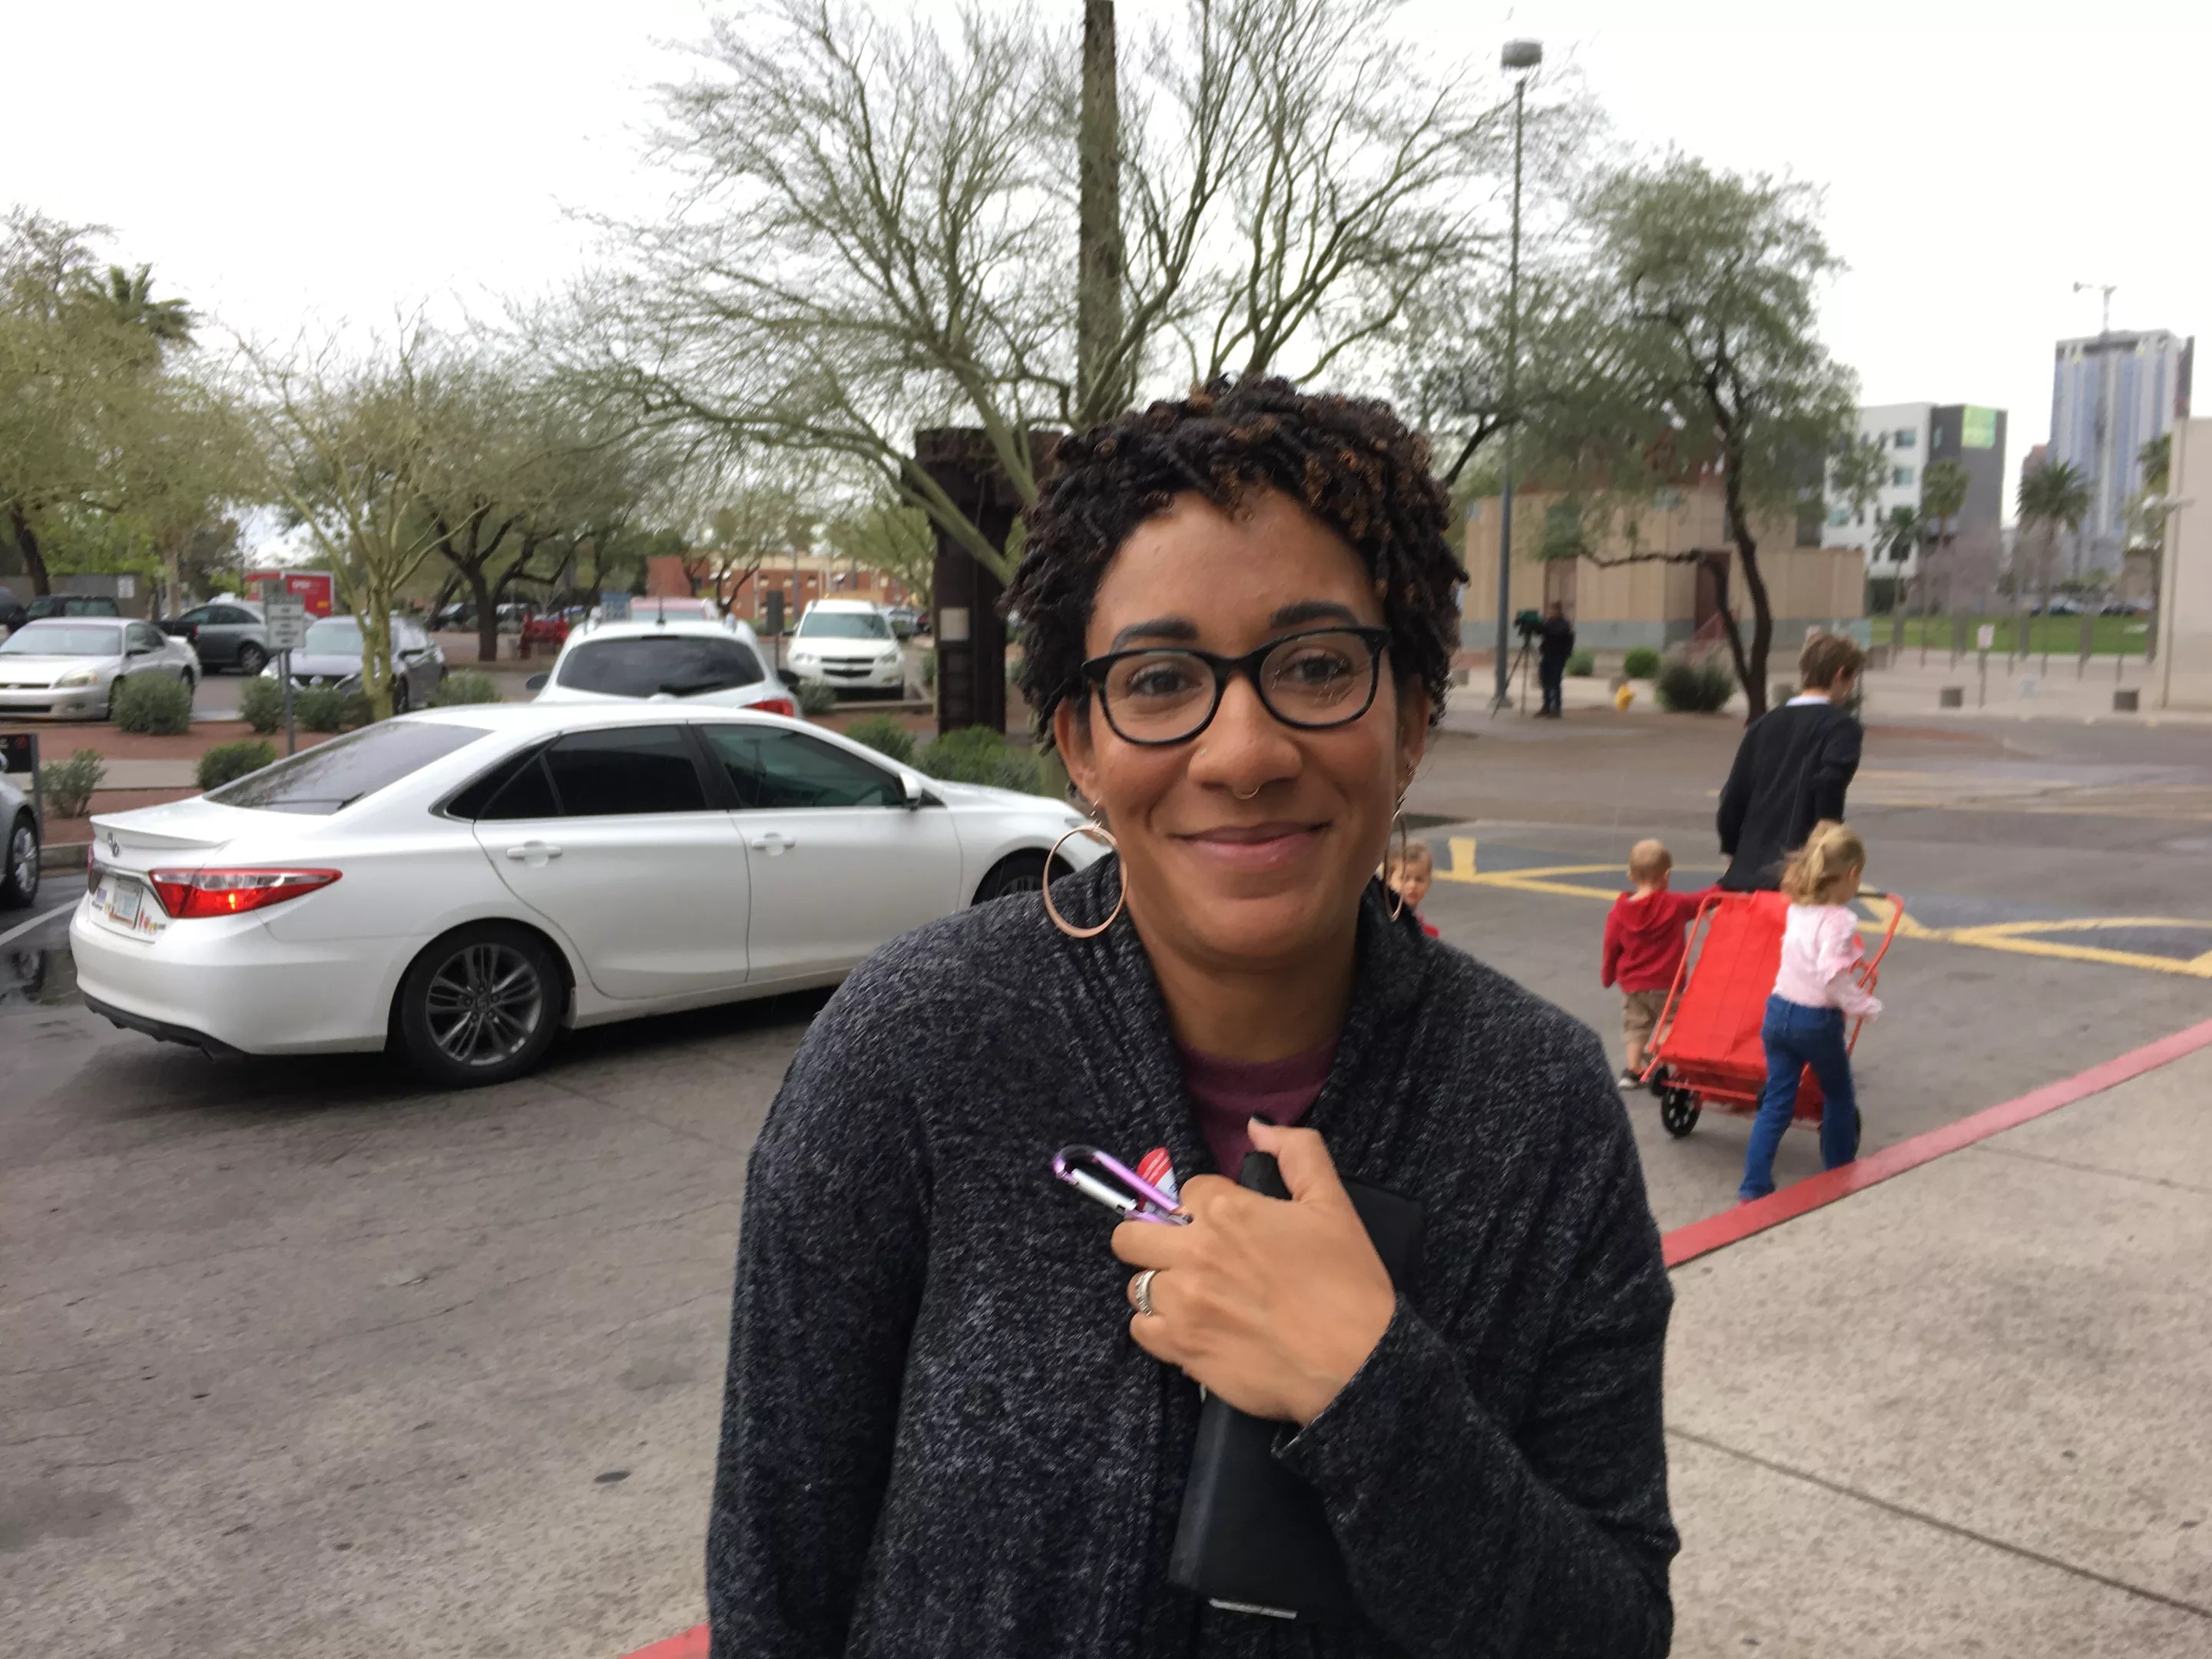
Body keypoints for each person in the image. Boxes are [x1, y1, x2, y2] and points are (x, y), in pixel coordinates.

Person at [706, 376, 1677, 1657]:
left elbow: (1614, 1632)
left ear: (1413, 719)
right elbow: (776, 1588)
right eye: (1160, 680)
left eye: (1317, 667)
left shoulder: (1539, 1108)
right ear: (1081, 746)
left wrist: (1370, 1386)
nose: (1243, 752)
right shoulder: (911, 1051)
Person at [1737, 821, 1881, 1204]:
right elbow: (1832, 974)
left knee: (1776, 1102)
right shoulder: (1839, 919)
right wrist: (1863, 1004)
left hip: (1777, 1012)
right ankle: (1838, 1171)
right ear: (1851, 874)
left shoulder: (1798, 907)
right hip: (1815, 1020)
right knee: (1838, 1094)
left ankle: (1754, 1184)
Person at [1715, 631, 1867, 889]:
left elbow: (1733, 797)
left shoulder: (1763, 725)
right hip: (1798, 874)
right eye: (1852, 679)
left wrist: (1733, 853)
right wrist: (1826, 852)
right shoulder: (1842, 727)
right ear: (1841, 674)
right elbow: (1829, 785)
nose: (1851, 688)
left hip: (1745, 873)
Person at [1600, 838, 1707, 1089]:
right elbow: (1703, 900)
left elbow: (1611, 948)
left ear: (1630, 875)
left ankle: (1632, 1070)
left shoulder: (1618, 913)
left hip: (1633, 985)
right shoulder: (1675, 905)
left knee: (1636, 1025)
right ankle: (1660, 1056)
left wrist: (1608, 976)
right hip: (1666, 983)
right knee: (1670, 1021)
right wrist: (1727, 883)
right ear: (1667, 876)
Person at [1382, 837, 1439, 938]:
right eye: (1404, 879)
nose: (1413, 885)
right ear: (1388, 881)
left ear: (1429, 883)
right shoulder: (1382, 924)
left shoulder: (1428, 934)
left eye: (1419, 879)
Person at [1535, 599, 1575, 717]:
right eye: (1551, 610)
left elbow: (1556, 633)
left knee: (1555, 682)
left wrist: (1545, 627)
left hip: (1558, 656)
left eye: (1553, 610)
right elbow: (1541, 632)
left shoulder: (1563, 623)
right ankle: (1546, 706)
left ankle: (1556, 708)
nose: (1551, 612)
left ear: (1559, 610)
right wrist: (1538, 626)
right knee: (1545, 680)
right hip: (1547, 655)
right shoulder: (1549, 622)